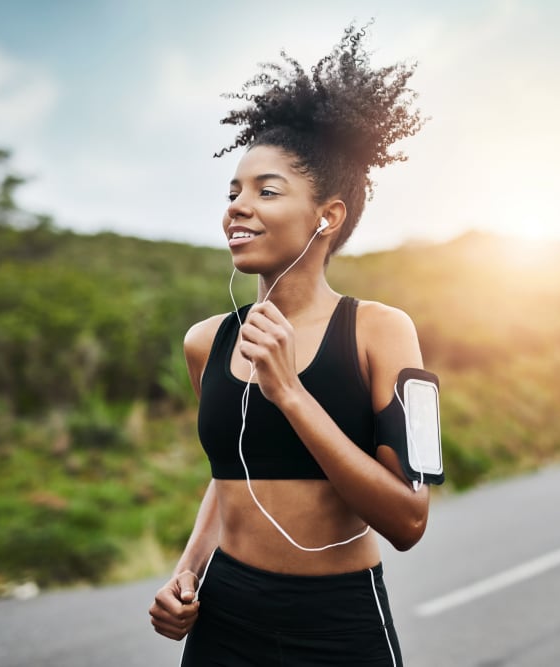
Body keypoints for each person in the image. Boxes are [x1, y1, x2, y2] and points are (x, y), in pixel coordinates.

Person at [148, 23, 432, 666]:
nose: (236, 208)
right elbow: (231, 477)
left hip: (338, 623)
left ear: (326, 216)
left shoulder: (382, 331)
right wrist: (187, 571)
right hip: (224, 615)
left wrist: (290, 393)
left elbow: (409, 521)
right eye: (232, 192)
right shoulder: (206, 342)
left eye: (265, 191)